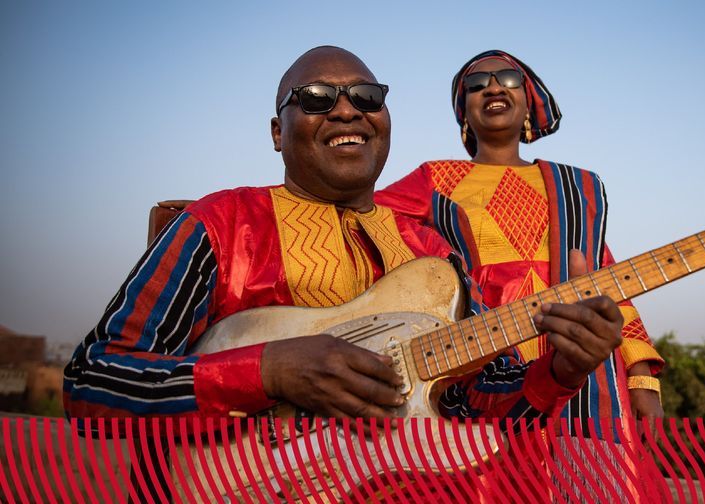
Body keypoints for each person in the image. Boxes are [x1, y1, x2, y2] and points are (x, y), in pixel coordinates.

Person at [62, 46, 624, 499]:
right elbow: (90, 383)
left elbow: (483, 405)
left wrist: (562, 369)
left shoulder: (432, 252)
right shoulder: (220, 223)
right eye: (314, 97)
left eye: (366, 96)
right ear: (278, 133)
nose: (347, 109)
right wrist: (267, 372)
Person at [375, 49, 667, 499]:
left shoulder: (576, 188)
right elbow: (369, 221)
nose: (493, 87)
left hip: (587, 373)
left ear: (528, 102)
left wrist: (642, 378)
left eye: (507, 78)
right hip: (483, 367)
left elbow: (611, 287)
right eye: (477, 84)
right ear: (465, 114)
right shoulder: (436, 177)